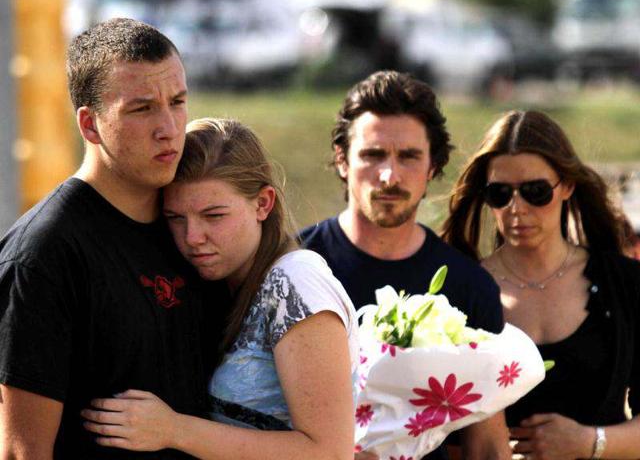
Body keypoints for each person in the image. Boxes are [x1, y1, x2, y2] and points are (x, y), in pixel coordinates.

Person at [0, 18, 223, 459]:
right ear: (90, 125)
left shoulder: (193, 227)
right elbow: (22, 451)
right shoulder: (43, 254)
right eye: (142, 109)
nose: (170, 127)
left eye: (178, 102)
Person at [81, 118, 360, 460]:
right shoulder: (219, 283)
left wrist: (174, 430)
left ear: (263, 204)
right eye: (176, 218)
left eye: (213, 216)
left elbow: (330, 453)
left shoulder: (294, 281)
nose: (192, 237)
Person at [299, 70, 511, 460]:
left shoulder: (469, 287)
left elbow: (487, 444)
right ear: (342, 160)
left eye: (409, 157)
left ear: (432, 167)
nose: (389, 176)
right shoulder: (294, 268)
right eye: (373, 154)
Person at [442, 110, 640, 459]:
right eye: (500, 194)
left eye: (535, 191)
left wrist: (590, 442)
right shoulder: (460, 293)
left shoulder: (624, 283)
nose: (517, 208)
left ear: (567, 185)